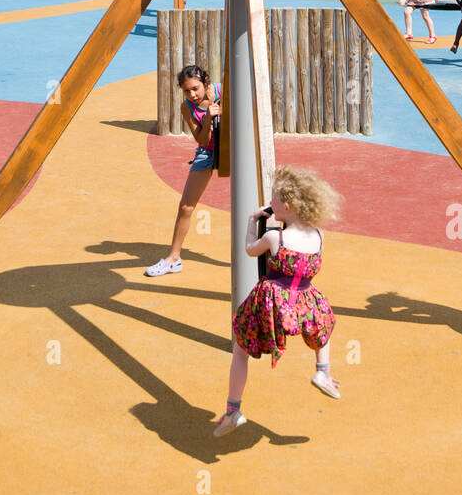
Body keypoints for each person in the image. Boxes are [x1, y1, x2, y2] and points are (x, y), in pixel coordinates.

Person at [214, 166, 340, 437]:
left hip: (273, 301)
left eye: (273, 199)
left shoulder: (275, 237)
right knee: (324, 323)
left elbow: (250, 250)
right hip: (305, 298)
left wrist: (252, 221)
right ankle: (322, 371)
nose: (269, 202)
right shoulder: (318, 235)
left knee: (240, 349)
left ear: (288, 205)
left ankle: (233, 410)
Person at [145, 65, 221, 277]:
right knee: (186, 206)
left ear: (205, 83)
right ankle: (173, 259)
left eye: (195, 88)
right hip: (207, 151)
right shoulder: (187, 107)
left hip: (233, 148)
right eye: (186, 91)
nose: (192, 95)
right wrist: (207, 119)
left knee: (253, 200)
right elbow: (202, 139)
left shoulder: (224, 92)